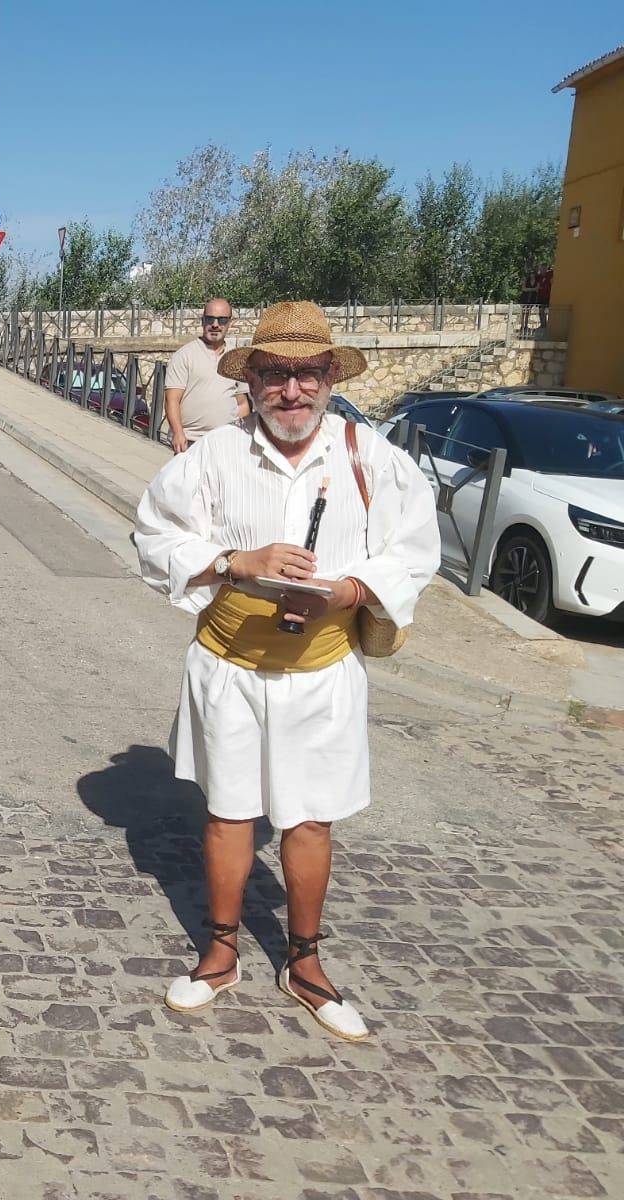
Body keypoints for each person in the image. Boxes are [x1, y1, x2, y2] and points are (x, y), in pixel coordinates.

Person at [133, 301, 440, 1041]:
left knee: (309, 817)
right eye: (275, 374)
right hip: (230, 665)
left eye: (307, 373)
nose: (292, 391)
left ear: (332, 374)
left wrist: (353, 589)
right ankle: (222, 952)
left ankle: (306, 963)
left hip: (323, 670)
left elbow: (415, 545)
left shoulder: (368, 456)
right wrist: (234, 561)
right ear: (254, 380)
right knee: (229, 810)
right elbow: (153, 533)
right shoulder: (214, 455)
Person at [163, 299, 248, 454]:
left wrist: (241, 436)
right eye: (210, 319)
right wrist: (177, 433)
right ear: (202, 321)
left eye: (222, 320)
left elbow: (242, 403)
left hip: (225, 442)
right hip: (191, 441)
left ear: (231, 323)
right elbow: (171, 399)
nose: (215, 325)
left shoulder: (236, 358)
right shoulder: (184, 355)